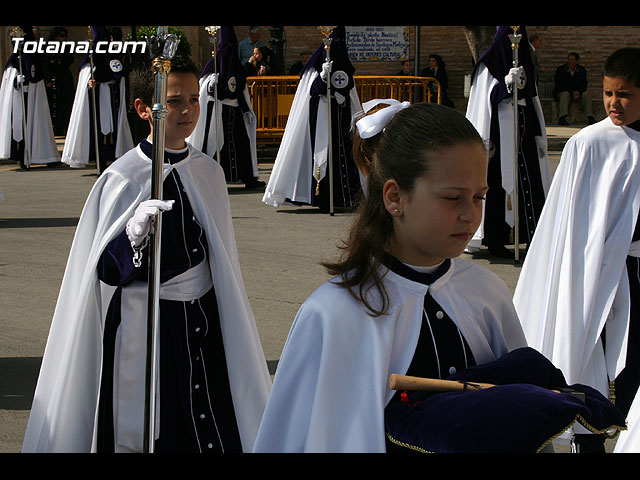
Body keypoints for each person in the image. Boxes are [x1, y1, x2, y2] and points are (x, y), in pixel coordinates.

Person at [21, 54, 271, 453]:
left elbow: (221, 260)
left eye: (193, 99)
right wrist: (132, 237)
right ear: (144, 108)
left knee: (210, 416)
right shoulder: (123, 176)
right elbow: (102, 268)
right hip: (151, 323)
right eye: (173, 101)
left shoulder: (208, 171)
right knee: (157, 423)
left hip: (203, 318)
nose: (187, 110)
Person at [253, 102, 528, 452]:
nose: (470, 215)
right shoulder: (334, 312)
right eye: (452, 198)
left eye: (479, 197)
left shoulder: (487, 292)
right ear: (395, 196)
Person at [513, 47, 640, 453]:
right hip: (598, 276)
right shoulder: (590, 144)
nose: (613, 104)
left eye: (625, 95)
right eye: (607, 93)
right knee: (589, 367)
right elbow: (568, 228)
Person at [464, 26, 551, 258]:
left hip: (524, 134)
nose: (517, 46)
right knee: (498, 186)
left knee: (530, 183)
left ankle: (531, 235)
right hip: (498, 139)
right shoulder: (487, 65)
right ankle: (497, 239)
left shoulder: (524, 64)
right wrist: (505, 84)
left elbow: (531, 97)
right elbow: (486, 100)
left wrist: (539, 133)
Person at [262, 26, 363, 212]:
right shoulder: (315, 67)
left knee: (345, 156)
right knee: (323, 157)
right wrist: (323, 78)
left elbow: (349, 93)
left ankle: (347, 197)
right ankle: (322, 197)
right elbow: (312, 92)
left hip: (341, 120)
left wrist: (342, 97)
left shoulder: (345, 67)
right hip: (321, 123)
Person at [187, 25, 264, 189]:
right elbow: (203, 91)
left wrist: (245, 109)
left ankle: (247, 177)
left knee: (241, 144)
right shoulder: (213, 66)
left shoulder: (235, 66)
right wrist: (210, 85)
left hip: (235, 111)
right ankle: (211, 177)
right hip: (218, 111)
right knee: (216, 145)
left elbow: (241, 88)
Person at [61, 26, 133, 173]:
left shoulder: (112, 55)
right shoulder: (90, 60)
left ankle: (112, 160)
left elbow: (119, 74)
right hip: (96, 99)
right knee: (97, 131)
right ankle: (100, 162)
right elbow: (86, 79)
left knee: (111, 131)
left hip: (111, 98)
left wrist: (113, 80)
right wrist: (90, 84)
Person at [0, 25, 60, 168]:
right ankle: (21, 156)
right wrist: (17, 81)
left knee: (37, 122)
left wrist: (30, 79)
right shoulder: (14, 62)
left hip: (33, 95)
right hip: (20, 97)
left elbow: (36, 73)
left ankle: (41, 154)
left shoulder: (34, 58)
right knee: (19, 125)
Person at [44, 26, 76, 136]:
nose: (63, 38)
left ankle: (64, 125)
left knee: (66, 102)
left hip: (64, 78)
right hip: (53, 78)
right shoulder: (48, 47)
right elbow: (47, 62)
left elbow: (69, 60)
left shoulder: (66, 48)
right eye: (61, 36)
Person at [553, 52, 595, 125]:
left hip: (577, 93)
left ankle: (590, 117)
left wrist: (578, 91)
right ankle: (562, 118)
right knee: (565, 94)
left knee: (586, 94)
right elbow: (559, 84)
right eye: (569, 60)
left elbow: (584, 84)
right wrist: (571, 92)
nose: (570, 62)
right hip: (565, 92)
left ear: (577, 61)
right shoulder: (561, 70)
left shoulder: (581, 70)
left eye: (572, 60)